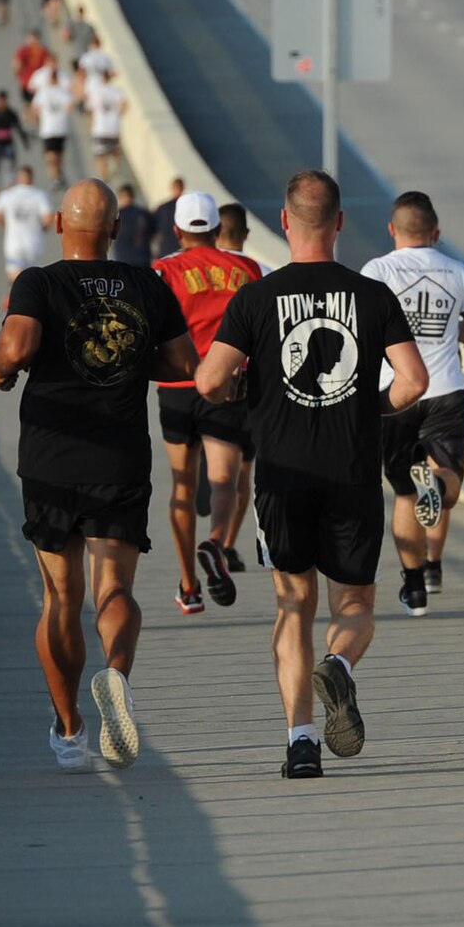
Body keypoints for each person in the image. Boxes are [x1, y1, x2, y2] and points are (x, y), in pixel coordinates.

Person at [197, 171, 427, 779]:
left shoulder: (255, 299)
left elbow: (208, 381)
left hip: (281, 475)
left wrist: (248, 392)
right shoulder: (372, 296)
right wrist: (368, 405)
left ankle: (301, 742)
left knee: (292, 604)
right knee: (353, 603)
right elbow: (415, 382)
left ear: (284, 221)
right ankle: (341, 667)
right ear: (341, 222)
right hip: (351, 472)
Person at [0, 179, 197, 772]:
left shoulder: (38, 281)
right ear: (113, 230)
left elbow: (16, 347)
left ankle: (69, 729)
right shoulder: (146, 284)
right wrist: (132, 360)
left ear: (59, 223)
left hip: (53, 459)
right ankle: (116, 674)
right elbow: (184, 363)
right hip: (120, 458)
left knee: (61, 597)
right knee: (117, 591)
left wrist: (5, 371)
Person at [361, 192, 464, 618]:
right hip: (446, 389)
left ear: (392, 230)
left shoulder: (376, 271)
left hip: (394, 393)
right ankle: (440, 487)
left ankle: (413, 586)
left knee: (404, 495)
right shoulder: (458, 271)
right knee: (445, 482)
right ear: (436, 233)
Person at [152, 192, 262, 614]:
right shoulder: (246, 268)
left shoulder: (162, 272)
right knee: (224, 481)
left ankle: (189, 586)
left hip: (177, 387)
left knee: (182, 486)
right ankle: (215, 542)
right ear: (218, 230)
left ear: (177, 231)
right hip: (226, 384)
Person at [214, 202, 268, 574]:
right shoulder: (259, 274)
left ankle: (211, 487)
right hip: (248, 384)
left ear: (216, 234)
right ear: (246, 235)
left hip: (204, 378)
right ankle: (227, 544)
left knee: (213, 462)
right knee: (243, 473)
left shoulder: (201, 269)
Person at [0, 165, 56, 281]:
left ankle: (15, 298)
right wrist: (42, 228)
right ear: (32, 178)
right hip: (34, 243)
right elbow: (49, 217)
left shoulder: (7, 195)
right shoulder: (39, 195)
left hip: (14, 243)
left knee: (16, 279)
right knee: (33, 280)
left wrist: (6, 224)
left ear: (18, 178)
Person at [0, 89, 30, 199]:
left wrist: (25, 141)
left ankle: (9, 187)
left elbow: (18, 128)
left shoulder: (11, 114)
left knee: (11, 166)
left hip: (8, 144)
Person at [30, 71, 74, 186]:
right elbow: (35, 107)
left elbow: (69, 107)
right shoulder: (44, 92)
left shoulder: (62, 92)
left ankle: (58, 173)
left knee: (58, 155)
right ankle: (54, 176)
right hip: (48, 129)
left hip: (60, 128)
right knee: (50, 156)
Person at [85, 66, 127, 182]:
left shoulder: (96, 91)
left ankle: (103, 176)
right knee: (115, 150)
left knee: (100, 154)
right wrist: (117, 114)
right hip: (114, 127)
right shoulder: (117, 91)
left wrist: (91, 122)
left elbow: (90, 109)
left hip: (100, 127)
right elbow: (125, 106)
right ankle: (115, 167)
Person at [113, 184, 153, 268]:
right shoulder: (144, 214)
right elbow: (154, 233)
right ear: (133, 196)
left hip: (123, 260)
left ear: (120, 197)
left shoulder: (115, 215)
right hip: (143, 259)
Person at [12, 30, 51, 108]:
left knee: (30, 105)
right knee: (36, 105)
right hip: (35, 83)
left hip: (30, 83)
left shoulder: (26, 50)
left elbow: (16, 64)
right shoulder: (42, 50)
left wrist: (18, 75)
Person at [149, 177, 184, 260]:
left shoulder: (162, 208)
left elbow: (152, 230)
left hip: (166, 251)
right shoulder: (187, 207)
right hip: (180, 250)